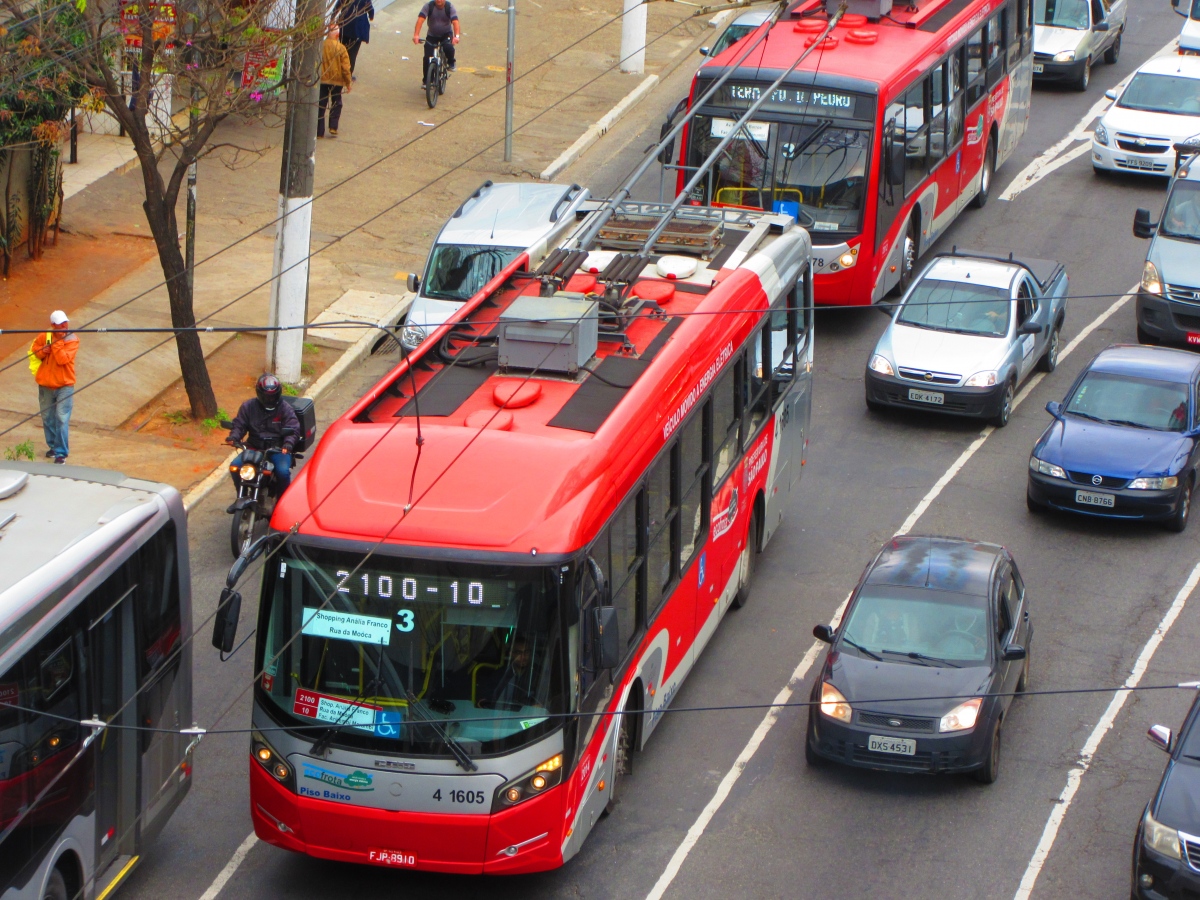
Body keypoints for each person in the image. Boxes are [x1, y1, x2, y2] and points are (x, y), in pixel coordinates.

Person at [225, 374, 300, 492]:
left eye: (272, 396)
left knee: (283, 472)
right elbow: (239, 424)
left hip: (277, 449)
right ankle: (242, 494)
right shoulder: (248, 407)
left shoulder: (285, 409)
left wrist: (288, 444)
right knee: (235, 467)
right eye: (266, 396)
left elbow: (293, 428)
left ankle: (283, 502)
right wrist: (234, 437)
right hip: (254, 447)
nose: (269, 399)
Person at [30, 310, 78, 465]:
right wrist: (42, 351)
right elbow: (35, 350)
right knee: (48, 418)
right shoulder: (45, 336)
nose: (64, 326)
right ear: (53, 325)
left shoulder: (72, 339)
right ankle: (53, 446)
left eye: (65, 322)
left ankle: (61, 453)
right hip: (45, 384)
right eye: (60, 324)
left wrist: (56, 344)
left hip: (65, 385)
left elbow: (63, 359)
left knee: (62, 419)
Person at [412, 0, 460, 88]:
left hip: (446, 34)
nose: (439, 0)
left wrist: (456, 36)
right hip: (432, 35)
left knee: (448, 47)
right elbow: (420, 20)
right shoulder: (428, 6)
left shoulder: (449, 7)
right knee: (427, 57)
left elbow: (455, 22)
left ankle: (451, 62)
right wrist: (416, 35)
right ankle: (427, 81)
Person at [318, 26, 352, 138]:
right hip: (336, 81)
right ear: (337, 35)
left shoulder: (320, 46)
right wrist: (348, 82)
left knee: (321, 104)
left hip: (322, 79)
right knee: (337, 102)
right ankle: (333, 126)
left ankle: (319, 131)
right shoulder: (341, 48)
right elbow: (345, 68)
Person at [488, 637, 537, 708]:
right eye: (518, 652)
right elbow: (487, 699)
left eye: (526, 652)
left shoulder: (538, 676)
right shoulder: (500, 675)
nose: (523, 657)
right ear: (511, 654)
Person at [336, 0, 374, 77]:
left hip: (345, 25)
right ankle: (348, 75)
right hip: (358, 28)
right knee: (352, 53)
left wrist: (332, 18)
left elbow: (338, 6)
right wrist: (371, 16)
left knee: (343, 50)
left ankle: (340, 71)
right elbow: (370, 9)